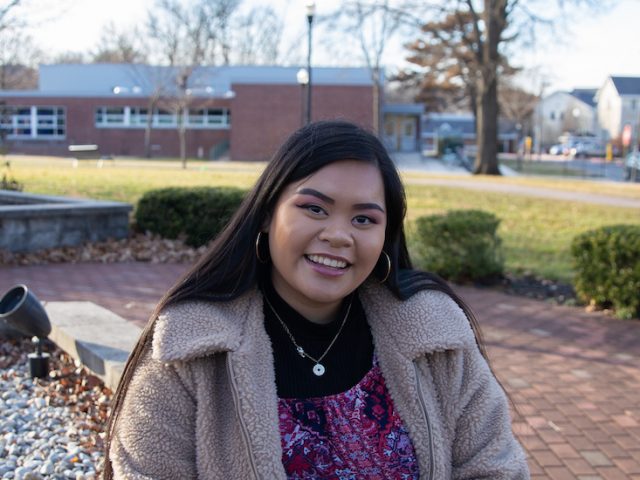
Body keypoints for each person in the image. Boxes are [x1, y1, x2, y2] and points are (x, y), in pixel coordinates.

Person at [104, 120, 529, 479]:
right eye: (315, 209)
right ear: (268, 213)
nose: (339, 235)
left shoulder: (437, 336)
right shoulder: (190, 349)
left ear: (385, 235)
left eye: (363, 219)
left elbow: (495, 468)